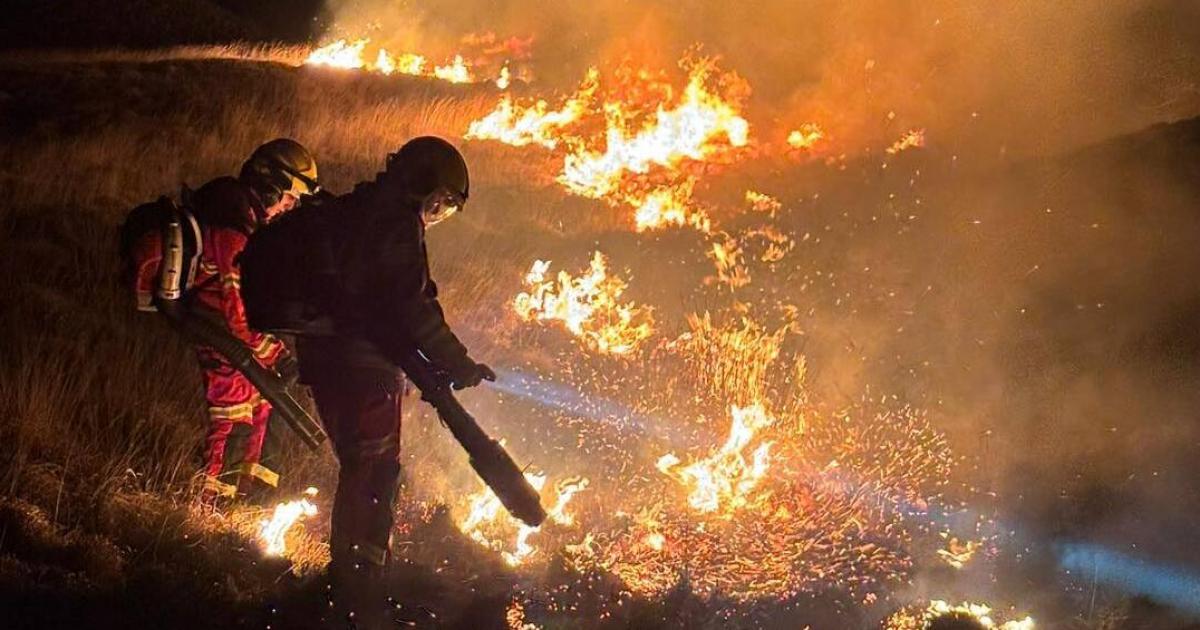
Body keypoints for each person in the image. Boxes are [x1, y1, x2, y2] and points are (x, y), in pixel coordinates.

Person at [239, 137, 492, 627]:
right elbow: (412, 307)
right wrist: (457, 364)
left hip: (332, 361)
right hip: (363, 368)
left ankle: (351, 583)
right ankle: (358, 594)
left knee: (361, 466)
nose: (436, 215)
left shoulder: (356, 210)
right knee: (374, 472)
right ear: (422, 186)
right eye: (440, 203)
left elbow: (397, 300)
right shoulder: (394, 223)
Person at [186, 139, 319, 502]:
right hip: (220, 335)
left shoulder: (240, 217)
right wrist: (275, 352)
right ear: (270, 185)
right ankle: (207, 512)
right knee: (232, 423)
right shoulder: (232, 229)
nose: (287, 208)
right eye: (288, 198)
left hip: (230, 335)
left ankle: (245, 504)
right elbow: (236, 311)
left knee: (261, 411)